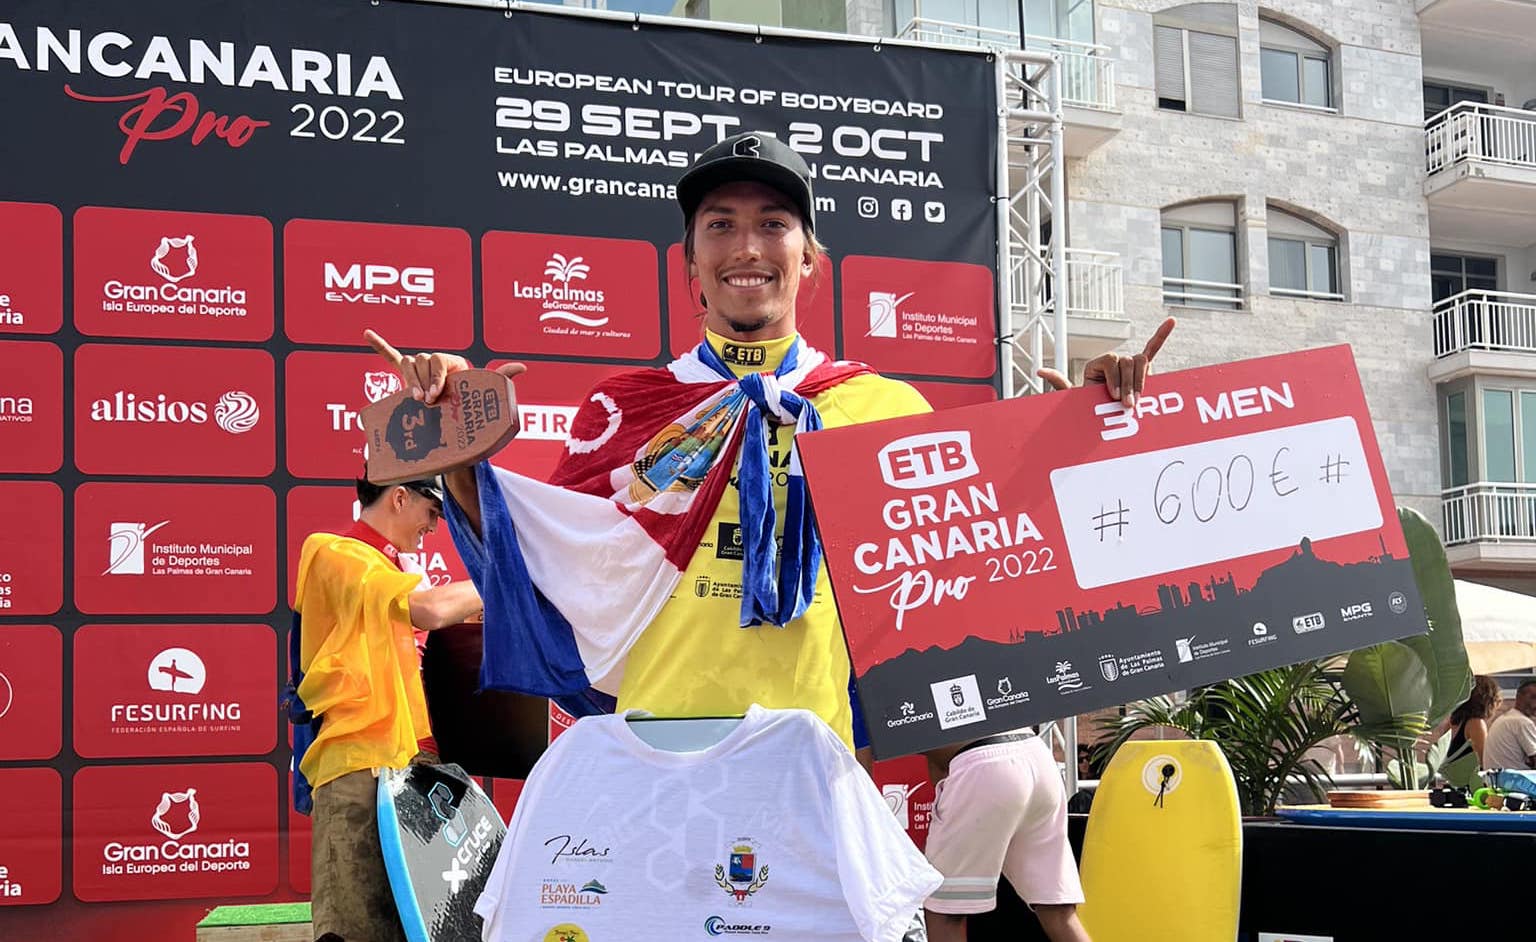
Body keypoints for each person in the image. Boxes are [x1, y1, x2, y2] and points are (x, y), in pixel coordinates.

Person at [289, 477, 483, 942]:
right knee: (357, 929)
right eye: (432, 511)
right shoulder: (334, 551)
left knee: (427, 928)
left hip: (417, 770)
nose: (434, 527)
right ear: (399, 495)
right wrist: (511, 581)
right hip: (359, 767)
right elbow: (430, 609)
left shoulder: (391, 570)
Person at [1440, 674, 1502, 784]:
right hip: (1470, 785)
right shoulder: (1476, 724)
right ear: (1486, 700)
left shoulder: (1452, 722)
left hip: (1452, 782)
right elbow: (1485, 760)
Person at [1482, 678, 1536, 770]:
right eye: (1534, 697)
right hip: (1515, 781)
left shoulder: (1505, 719)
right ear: (1519, 697)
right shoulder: (1521, 722)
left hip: (1498, 780)